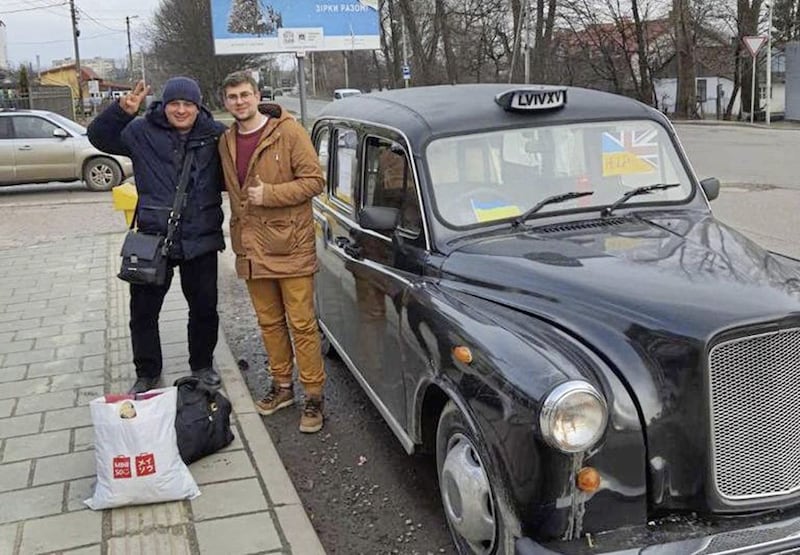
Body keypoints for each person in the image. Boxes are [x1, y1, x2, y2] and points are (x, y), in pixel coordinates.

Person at [88, 77, 227, 394]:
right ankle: (148, 372)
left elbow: (242, 159)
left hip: (200, 236)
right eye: (174, 103)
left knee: (204, 308)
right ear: (163, 105)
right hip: (154, 237)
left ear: (198, 106)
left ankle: (202, 365)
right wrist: (121, 112)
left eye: (187, 104)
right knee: (143, 313)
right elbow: (99, 138)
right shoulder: (140, 132)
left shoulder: (214, 134)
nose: (180, 110)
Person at [217, 71, 326, 433]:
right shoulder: (227, 141)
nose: (239, 102)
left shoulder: (289, 132)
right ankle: (283, 388)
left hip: (290, 246)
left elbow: (314, 181)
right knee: (269, 324)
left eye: (244, 94)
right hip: (251, 248)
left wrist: (271, 195)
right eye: (232, 97)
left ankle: (313, 396)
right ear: (225, 102)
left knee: (302, 325)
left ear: (257, 95)